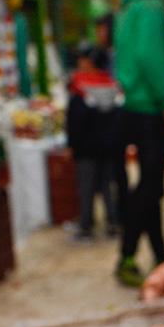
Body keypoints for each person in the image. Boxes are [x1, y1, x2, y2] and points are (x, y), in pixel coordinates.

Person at [112, 0, 164, 288]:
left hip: (130, 105)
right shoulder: (152, 6)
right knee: (150, 186)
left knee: (150, 186)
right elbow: (150, 56)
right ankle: (126, 255)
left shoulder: (126, 7)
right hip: (149, 107)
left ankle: (161, 253)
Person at [65, 47, 122, 242]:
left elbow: (75, 119)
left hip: (86, 146)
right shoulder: (112, 84)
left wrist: (72, 144)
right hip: (108, 145)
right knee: (107, 186)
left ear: (90, 61)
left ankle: (86, 227)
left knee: (86, 187)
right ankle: (113, 224)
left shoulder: (79, 86)